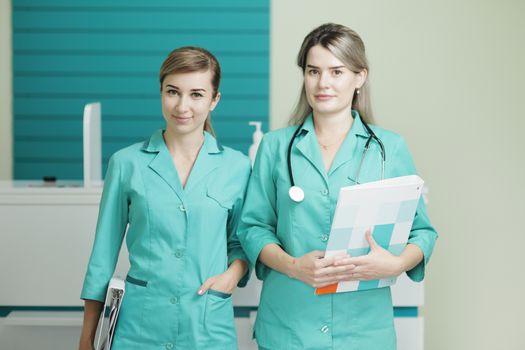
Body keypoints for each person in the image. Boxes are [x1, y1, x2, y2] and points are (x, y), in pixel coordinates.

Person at [238, 23, 438, 350]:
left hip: (363, 331)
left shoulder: (390, 148)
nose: (323, 83)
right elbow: (253, 227)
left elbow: (423, 232)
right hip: (289, 327)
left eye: (336, 71)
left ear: (360, 77)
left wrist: (398, 263)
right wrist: (292, 266)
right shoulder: (276, 147)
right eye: (313, 71)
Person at [78, 47, 251, 350]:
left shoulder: (237, 167)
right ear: (161, 93)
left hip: (207, 326)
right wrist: (87, 336)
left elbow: (243, 242)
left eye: (197, 94)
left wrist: (231, 276)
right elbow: (102, 256)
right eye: (173, 92)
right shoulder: (126, 163)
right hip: (139, 327)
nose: (182, 106)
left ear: (215, 100)